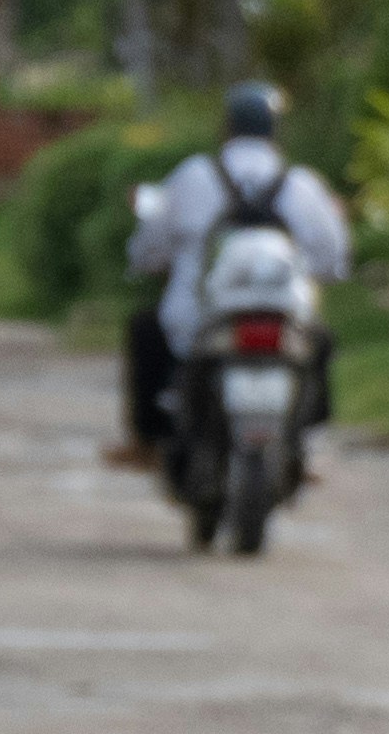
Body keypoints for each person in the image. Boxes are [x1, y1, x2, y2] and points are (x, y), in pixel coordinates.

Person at [124, 83, 351, 462]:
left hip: (198, 323)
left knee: (145, 330)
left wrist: (149, 263)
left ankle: (145, 442)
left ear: (226, 128)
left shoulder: (194, 175)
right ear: (275, 131)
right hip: (287, 322)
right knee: (321, 343)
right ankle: (301, 445)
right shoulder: (301, 184)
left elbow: (149, 247)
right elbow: (333, 258)